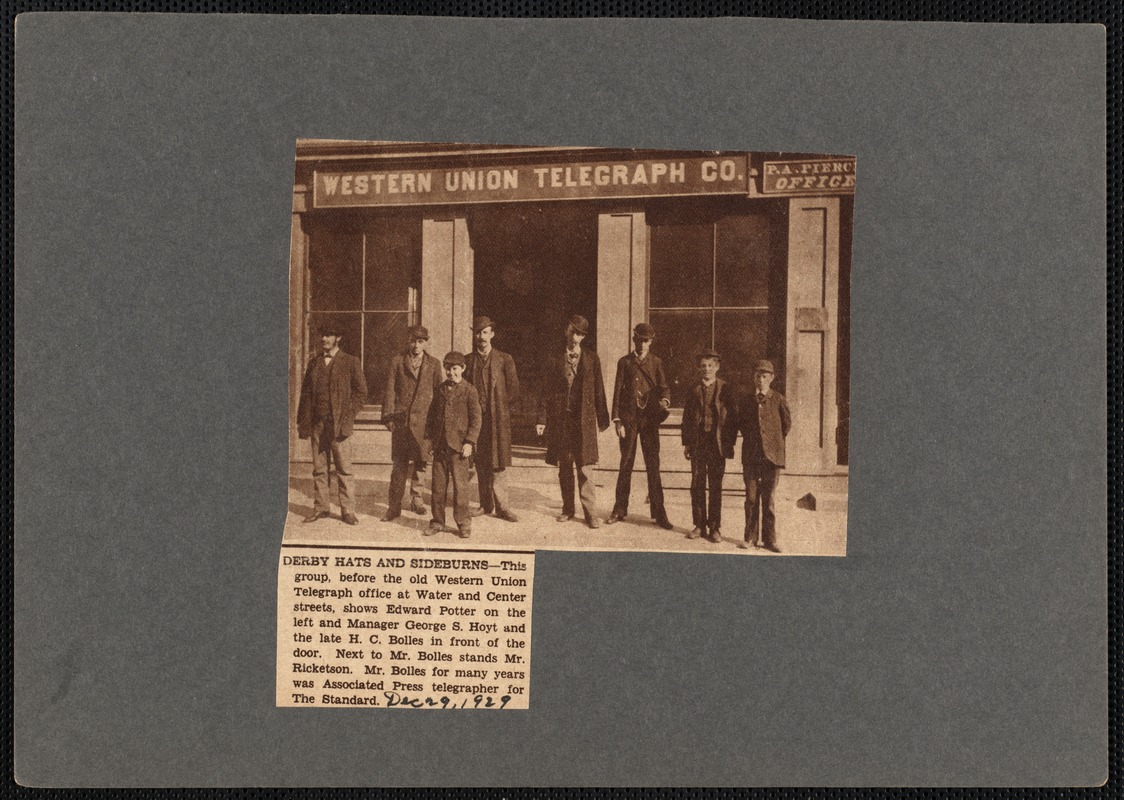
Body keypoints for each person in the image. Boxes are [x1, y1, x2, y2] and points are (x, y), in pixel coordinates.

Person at [536, 315, 610, 529]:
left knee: (585, 468)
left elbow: (599, 390)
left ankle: (590, 514)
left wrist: (602, 419)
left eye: (579, 334)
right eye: (572, 331)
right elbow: (546, 391)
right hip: (562, 421)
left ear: (584, 337)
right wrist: (542, 418)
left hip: (583, 422)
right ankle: (568, 509)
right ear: (565, 331)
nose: (575, 337)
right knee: (565, 467)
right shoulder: (554, 358)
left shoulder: (591, 359)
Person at [296, 321, 368, 525]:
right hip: (318, 424)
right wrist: (304, 423)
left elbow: (361, 393)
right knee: (319, 468)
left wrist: (348, 417)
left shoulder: (351, 362)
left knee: (344, 469)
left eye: (328, 335)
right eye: (322, 335)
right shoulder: (314, 362)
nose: (324, 339)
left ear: (338, 338)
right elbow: (305, 395)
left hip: (339, 425)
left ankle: (347, 511)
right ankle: (321, 508)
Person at [608, 322, 673, 529]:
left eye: (646, 341)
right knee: (626, 462)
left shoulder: (656, 363)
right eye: (639, 340)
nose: (642, 344)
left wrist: (664, 402)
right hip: (629, 420)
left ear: (651, 342)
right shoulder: (624, 362)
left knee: (653, 465)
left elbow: (665, 389)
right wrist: (617, 419)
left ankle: (659, 513)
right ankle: (619, 509)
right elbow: (618, 391)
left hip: (649, 421)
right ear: (634, 339)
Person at [381, 325, 444, 522]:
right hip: (402, 422)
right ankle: (394, 506)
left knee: (421, 463)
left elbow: (438, 395)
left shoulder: (434, 364)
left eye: (420, 341)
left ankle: (417, 500)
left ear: (426, 342)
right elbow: (390, 389)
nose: (416, 346)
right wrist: (388, 417)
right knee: (399, 465)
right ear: (408, 341)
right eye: (413, 341)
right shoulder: (398, 361)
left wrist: (435, 424)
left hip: (424, 423)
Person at [465, 316, 520, 523]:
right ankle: (485, 504)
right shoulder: (468, 361)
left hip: (497, 420)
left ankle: (503, 507)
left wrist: (501, 411)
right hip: (476, 421)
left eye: (485, 332)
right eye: (478, 333)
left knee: (498, 464)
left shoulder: (505, 359)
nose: (481, 337)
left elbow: (514, 392)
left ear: (492, 334)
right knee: (480, 462)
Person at [681, 350, 738, 543]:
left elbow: (732, 419)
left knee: (715, 486)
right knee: (697, 484)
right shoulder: (693, 389)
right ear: (699, 368)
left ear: (717, 367)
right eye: (703, 366)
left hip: (717, 444)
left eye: (710, 366)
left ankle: (715, 527)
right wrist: (687, 443)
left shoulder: (725, 388)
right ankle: (699, 524)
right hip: (698, 442)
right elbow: (687, 418)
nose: (707, 369)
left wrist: (729, 443)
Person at [424, 351, 481, 538]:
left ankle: (463, 523)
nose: (451, 373)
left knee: (460, 488)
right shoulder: (440, 390)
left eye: (454, 369)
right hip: (440, 447)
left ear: (463, 369)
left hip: (459, 449)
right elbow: (432, 417)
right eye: (447, 369)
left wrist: (469, 442)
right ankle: (437, 522)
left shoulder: (469, 390)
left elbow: (476, 419)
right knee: (438, 488)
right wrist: (430, 442)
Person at [739, 359, 792, 553]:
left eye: (764, 376)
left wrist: (772, 444)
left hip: (772, 459)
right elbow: (741, 425)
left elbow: (786, 426)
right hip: (752, 457)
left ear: (771, 378)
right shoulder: (746, 401)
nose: (760, 380)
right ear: (753, 378)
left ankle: (770, 540)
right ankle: (750, 538)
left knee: (769, 500)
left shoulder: (778, 399)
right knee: (751, 499)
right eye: (757, 376)